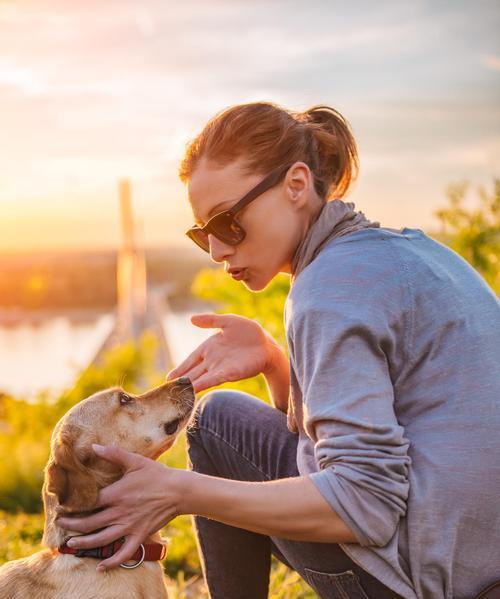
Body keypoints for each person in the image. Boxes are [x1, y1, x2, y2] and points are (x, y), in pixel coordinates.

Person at [56, 102, 500, 599]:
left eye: (226, 222)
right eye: (202, 234)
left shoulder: (327, 288)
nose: (217, 251)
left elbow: (366, 503)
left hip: (431, 584)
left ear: (296, 184)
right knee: (220, 412)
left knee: (213, 421)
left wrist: (180, 491)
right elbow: (358, 438)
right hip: (477, 562)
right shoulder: (419, 253)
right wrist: (275, 363)